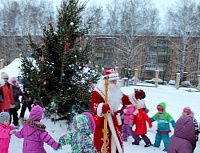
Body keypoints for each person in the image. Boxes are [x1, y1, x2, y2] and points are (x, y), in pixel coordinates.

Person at [90, 67, 145, 153]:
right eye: (113, 81)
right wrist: (101, 107)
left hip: (114, 121)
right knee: (103, 143)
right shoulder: (98, 91)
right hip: (103, 122)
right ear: (106, 82)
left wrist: (136, 96)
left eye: (116, 81)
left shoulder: (116, 90)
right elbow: (93, 105)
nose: (115, 83)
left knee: (115, 142)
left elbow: (125, 100)